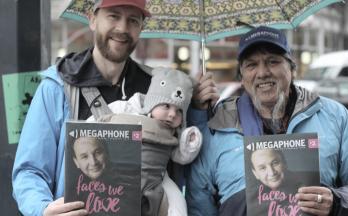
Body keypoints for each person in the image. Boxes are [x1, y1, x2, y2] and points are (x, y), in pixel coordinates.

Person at [12, 0, 218, 215]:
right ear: (92, 19)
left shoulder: (156, 88)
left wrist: (198, 112)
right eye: (113, 16)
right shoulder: (58, 86)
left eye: (133, 20)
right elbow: (30, 170)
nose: (122, 28)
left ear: (141, 28)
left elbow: (183, 164)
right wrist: (42, 209)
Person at [186, 26, 348, 216]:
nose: (262, 72)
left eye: (272, 61)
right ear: (242, 75)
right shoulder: (217, 127)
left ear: (291, 68)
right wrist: (196, 111)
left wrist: (337, 202)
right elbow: (198, 205)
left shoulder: (334, 116)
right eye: (252, 64)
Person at [93, 67, 202, 216]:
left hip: (158, 176)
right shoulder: (130, 109)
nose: (171, 114)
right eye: (166, 106)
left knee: (178, 203)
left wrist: (190, 141)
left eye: (179, 111)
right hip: (121, 171)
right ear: (152, 102)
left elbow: (180, 156)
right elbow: (105, 117)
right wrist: (90, 128)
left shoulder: (173, 132)